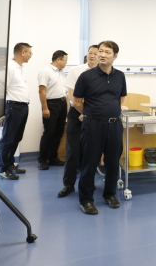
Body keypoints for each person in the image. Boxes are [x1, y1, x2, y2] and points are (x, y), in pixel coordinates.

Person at [74, 41, 127, 215]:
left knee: (113, 162)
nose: (102, 55)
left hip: (114, 124)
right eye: (100, 51)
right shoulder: (86, 76)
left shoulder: (120, 76)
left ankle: (110, 194)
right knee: (89, 163)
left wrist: (111, 111)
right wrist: (91, 113)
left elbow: (121, 98)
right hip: (93, 125)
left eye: (107, 52)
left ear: (115, 56)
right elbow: (77, 102)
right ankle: (86, 200)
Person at [57, 45, 99, 198]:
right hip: (77, 112)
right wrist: (82, 111)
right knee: (72, 151)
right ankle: (68, 185)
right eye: (90, 53)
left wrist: (88, 113)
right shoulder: (76, 71)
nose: (92, 55)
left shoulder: (102, 73)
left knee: (91, 151)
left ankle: (88, 184)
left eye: (95, 53)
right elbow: (71, 94)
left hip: (93, 114)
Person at [0, 43, 33, 180]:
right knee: (8, 139)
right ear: (22, 52)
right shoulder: (10, 68)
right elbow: (1, 91)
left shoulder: (20, 68)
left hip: (22, 106)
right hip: (13, 106)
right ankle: (2, 169)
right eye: (30, 53)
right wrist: (1, 114)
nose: (31, 56)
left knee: (16, 138)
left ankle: (10, 164)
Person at [37, 50, 68, 170]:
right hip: (51, 104)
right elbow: (41, 91)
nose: (66, 63)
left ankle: (53, 157)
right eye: (65, 60)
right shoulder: (46, 72)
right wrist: (45, 108)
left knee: (59, 131)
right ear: (58, 59)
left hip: (62, 103)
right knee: (49, 132)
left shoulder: (61, 73)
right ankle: (42, 160)